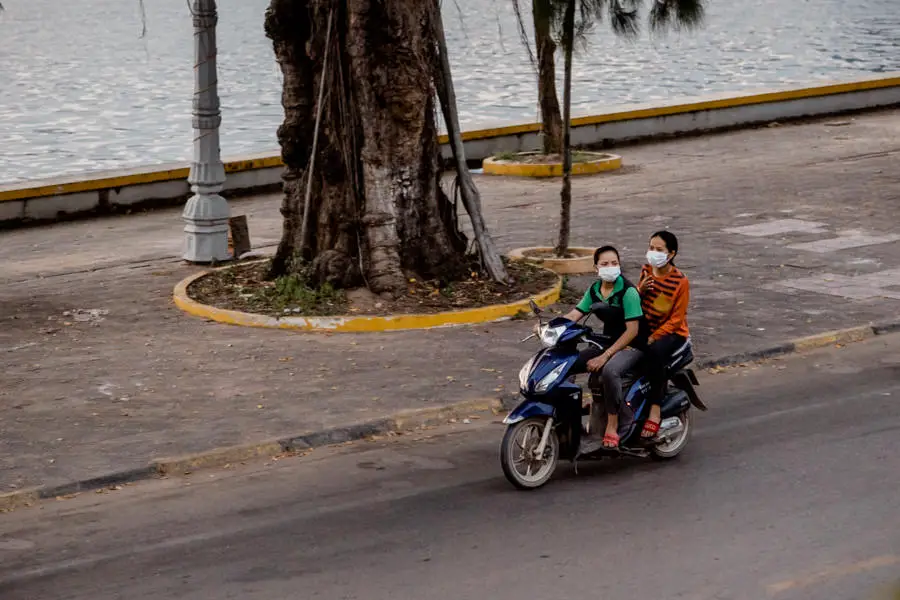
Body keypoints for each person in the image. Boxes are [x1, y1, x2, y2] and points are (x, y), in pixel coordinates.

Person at [561, 246, 647, 450]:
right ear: (595, 268)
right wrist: (549, 326)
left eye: (614, 263)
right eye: (605, 264)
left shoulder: (628, 292)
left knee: (610, 371)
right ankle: (569, 415)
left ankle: (612, 424)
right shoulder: (595, 290)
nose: (611, 267)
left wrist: (605, 356)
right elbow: (575, 314)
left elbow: (632, 331)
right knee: (567, 364)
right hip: (608, 341)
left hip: (632, 345)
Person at [637, 230, 691, 438]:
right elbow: (637, 303)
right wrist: (639, 290)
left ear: (671, 254)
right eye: (651, 248)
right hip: (647, 325)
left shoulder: (680, 282)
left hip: (672, 333)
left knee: (654, 354)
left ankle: (655, 409)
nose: (653, 253)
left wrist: (654, 336)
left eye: (659, 250)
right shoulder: (646, 271)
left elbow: (677, 319)